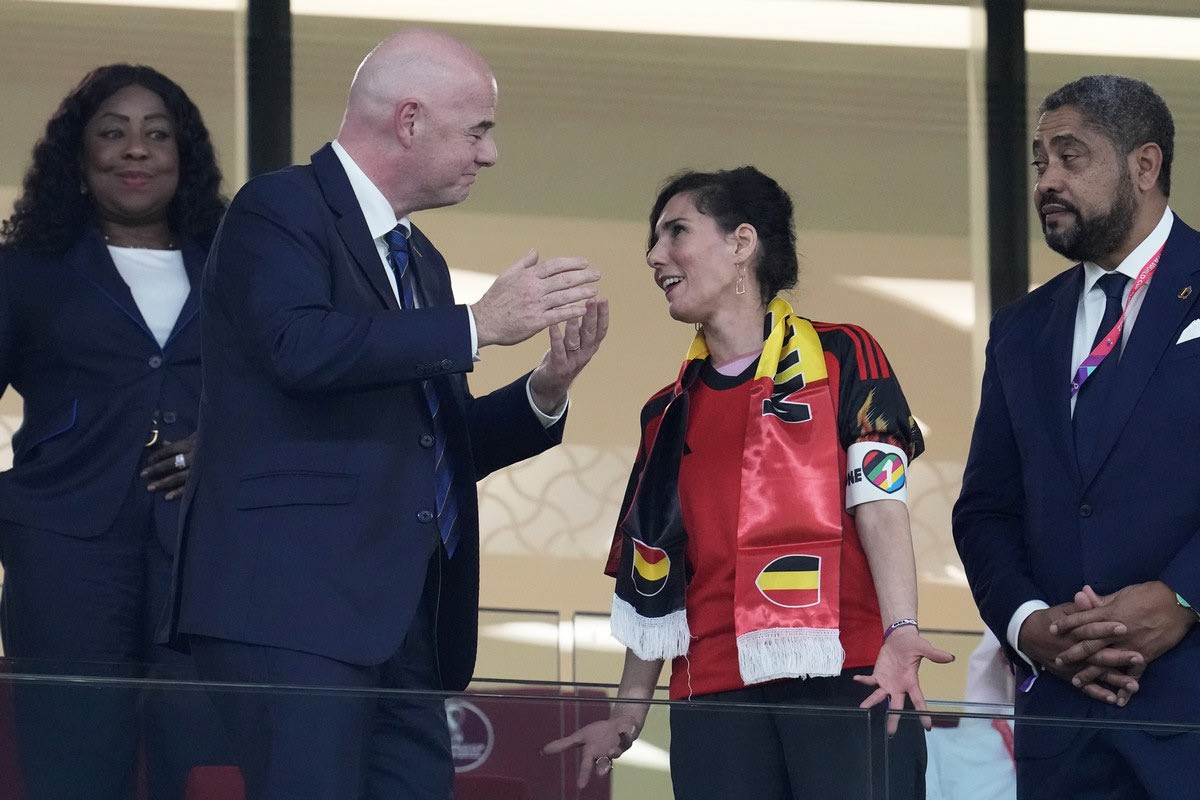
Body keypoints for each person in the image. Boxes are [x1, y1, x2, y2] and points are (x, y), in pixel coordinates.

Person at [161, 29, 608, 800]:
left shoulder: (419, 258)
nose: (490, 154)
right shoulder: (279, 207)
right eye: (478, 131)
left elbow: (436, 444)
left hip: (403, 619)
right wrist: (476, 324)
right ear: (409, 121)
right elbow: (299, 348)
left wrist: (546, 386)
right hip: (292, 608)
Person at [544, 166, 951, 799]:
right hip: (711, 696)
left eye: (676, 232)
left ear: (741, 243)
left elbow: (879, 502)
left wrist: (900, 630)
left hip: (849, 674)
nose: (655, 256)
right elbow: (656, 572)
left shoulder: (845, 354)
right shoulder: (665, 413)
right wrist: (628, 712)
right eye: (654, 240)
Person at [953, 74, 1200, 799]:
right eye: (1040, 163)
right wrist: (1028, 625)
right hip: (1063, 733)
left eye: (1070, 156)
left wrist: (1183, 599)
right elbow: (986, 510)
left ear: (1144, 165)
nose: (1046, 182)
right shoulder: (1021, 329)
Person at [0, 65, 231, 799]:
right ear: (78, 154)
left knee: (201, 762)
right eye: (113, 133)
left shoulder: (238, 270)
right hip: (63, 549)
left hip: (205, 548)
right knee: (73, 758)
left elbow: (284, 394)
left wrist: (224, 447)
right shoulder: (25, 271)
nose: (136, 149)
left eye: (158, 135)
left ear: (183, 157)